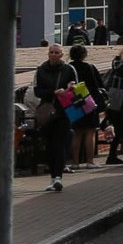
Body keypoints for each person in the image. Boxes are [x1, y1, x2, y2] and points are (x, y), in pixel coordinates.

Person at [33, 43, 78, 192]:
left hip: (64, 111)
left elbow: (77, 88)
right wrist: (54, 92)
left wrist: (70, 88)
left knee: (60, 144)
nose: (53, 55)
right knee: (50, 145)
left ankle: (58, 177)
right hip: (48, 111)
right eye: (51, 52)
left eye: (56, 52)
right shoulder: (41, 70)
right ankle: (53, 177)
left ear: (62, 55)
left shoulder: (69, 69)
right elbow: (37, 91)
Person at [67, 43, 107, 168]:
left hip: (74, 102)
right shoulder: (89, 67)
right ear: (84, 55)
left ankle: (75, 162)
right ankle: (90, 161)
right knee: (90, 132)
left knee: (77, 132)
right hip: (89, 100)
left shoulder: (68, 68)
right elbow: (97, 86)